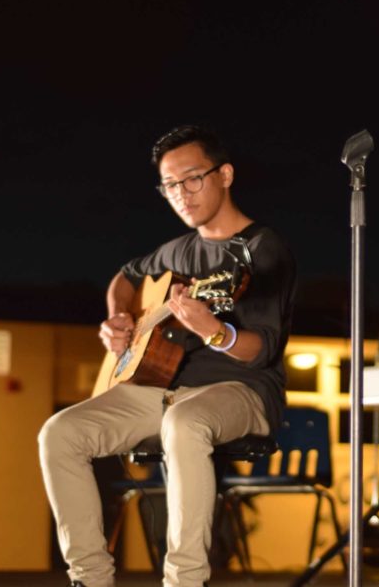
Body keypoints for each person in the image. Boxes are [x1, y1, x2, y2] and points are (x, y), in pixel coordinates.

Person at [38, 125, 297, 587]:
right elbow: (124, 276)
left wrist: (216, 332)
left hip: (243, 392)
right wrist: (120, 319)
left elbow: (262, 350)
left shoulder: (261, 248)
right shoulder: (177, 250)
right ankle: (90, 578)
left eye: (193, 178)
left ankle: (184, 581)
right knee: (61, 432)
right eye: (170, 185)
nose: (182, 194)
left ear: (225, 174)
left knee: (185, 423)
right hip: (163, 390)